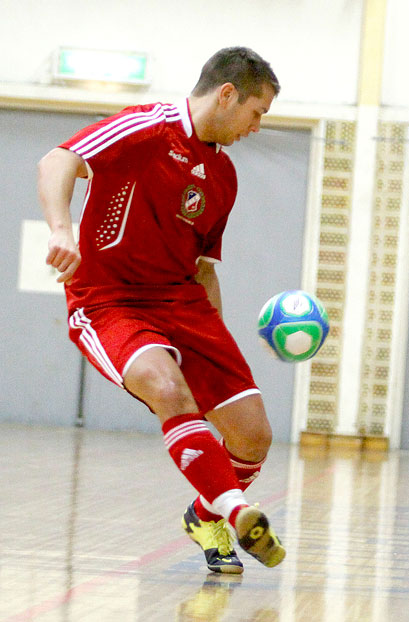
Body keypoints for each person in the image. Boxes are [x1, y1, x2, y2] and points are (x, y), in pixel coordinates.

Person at [38, 46, 286, 574]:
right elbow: (56, 160)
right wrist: (62, 230)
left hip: (182, 301)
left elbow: (203, 268)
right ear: (227, 95)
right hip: (108, 300)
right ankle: (238, 512)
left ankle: (205, 514)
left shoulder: (224, 177)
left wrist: (214, 343)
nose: (257, 126)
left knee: (253, 434)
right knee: (168, 389)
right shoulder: (145, 128)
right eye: (256, 111)